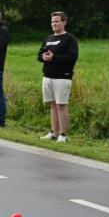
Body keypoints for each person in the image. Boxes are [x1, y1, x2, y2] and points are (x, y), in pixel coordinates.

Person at [38, 11, 79, 143]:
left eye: (57, 21)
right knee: (52, 105)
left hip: (63, 77)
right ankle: (53, 133)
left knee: (61, 105)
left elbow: (73, 57)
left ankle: (63, 135)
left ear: (64, 22)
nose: (54, 23)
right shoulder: (48, 38)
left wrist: (54, 57)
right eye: (52, 21)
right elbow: (39, 55)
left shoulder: (70, 39)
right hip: (47, 75)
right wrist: (43, 57)